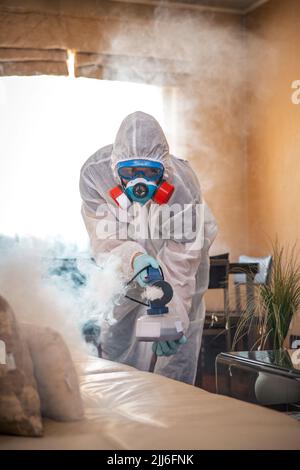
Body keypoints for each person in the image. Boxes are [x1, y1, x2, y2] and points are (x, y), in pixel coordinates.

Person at [79, 111, 217, 384]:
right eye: (129, 172)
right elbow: (106, 240)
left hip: (176, 251)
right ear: (114, 169)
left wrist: (173, 320)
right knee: (117, 330)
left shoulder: (182, 188)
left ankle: (171, 412)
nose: (139, 183)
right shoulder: (94, 175)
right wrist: (133, 258)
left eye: (150, 173)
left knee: (173, 352)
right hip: (124, 258)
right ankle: (117, 395)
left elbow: (181, 267)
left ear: (164, 172)